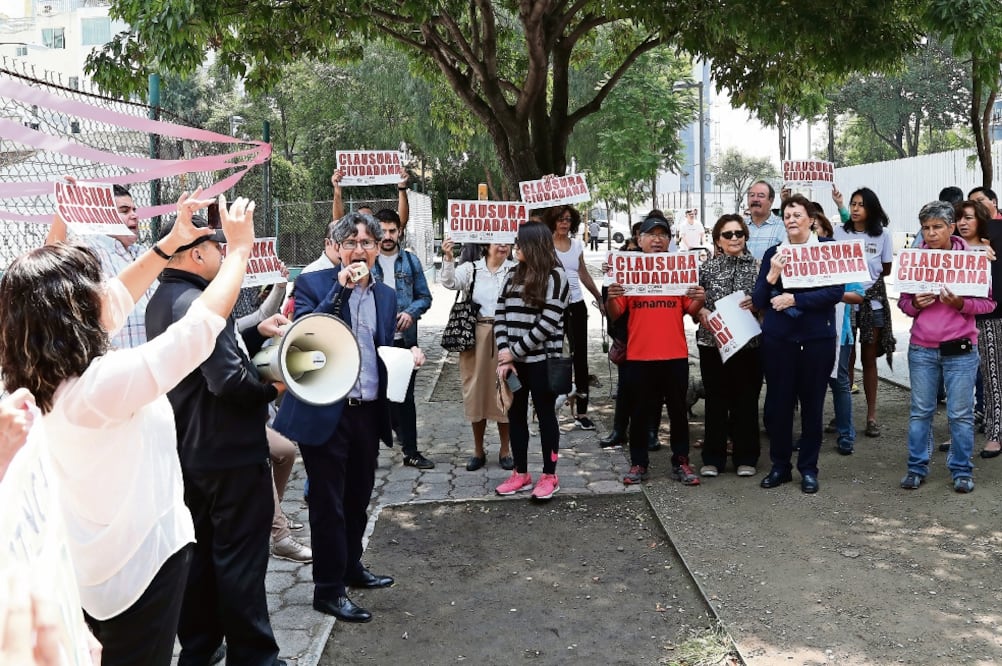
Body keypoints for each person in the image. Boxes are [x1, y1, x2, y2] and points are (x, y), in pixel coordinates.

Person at [0, 192, 264, 666]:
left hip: (95, 564)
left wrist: (171, 242)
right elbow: (197, 332)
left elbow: (115, 299)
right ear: (71, 309)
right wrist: (240, 250)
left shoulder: (35, 369)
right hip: (140, 568)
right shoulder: (99, 387)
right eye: (89, 286)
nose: (103, 287)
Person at [146, 206, 289, 666]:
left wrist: (252, 329)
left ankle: (200, 649)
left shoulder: (164, 300)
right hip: (230, 456)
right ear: (192, 255)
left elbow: (206, 353)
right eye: (214, 246)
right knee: (241, 563)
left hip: (192, 452)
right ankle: (256, 658)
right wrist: (273, 387)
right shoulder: (201, 303)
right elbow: (227, 380)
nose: (220, 253)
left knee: (203, 559)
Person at [273, 212, 424, 623]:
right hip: (325, 412)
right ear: (337, 249)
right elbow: (304, 334)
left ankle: (351, 567)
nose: (360, 251)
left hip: (368, 408)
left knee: (359, 496)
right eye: (351, 243)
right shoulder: (312, 284)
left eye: (367, 243)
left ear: (378, 249)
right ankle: (328, 590)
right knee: (328, 503)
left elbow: (379, 346)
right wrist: (338, 292)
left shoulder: (387, 295)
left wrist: (406, 355)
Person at [898, 201, 995, 492]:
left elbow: (988, 303)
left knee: (960, 414)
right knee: (920, 411)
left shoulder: (973, 260)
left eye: (937, 227)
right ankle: (916, 467)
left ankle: (962, 470)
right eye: (926, 227)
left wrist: (961, 304)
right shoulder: (915, 260)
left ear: (951, 227)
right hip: (922, 348)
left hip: (961, 350)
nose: (930, 233)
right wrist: (914, 303)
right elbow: (903, 302)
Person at [753, 194, 845, 494]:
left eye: (797, 214)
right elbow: (757, 300)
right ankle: (780, 466)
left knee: (812, 406)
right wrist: (771, 277)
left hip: (817, 338)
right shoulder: (773, 253)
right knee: (779, 405)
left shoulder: (827, 250)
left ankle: (808, 468)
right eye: (787, 216)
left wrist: (796, 299)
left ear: (811, 219)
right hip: (780, 341)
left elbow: (835, 292)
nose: (791, 220)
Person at [606, 215, 705, 486]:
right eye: (651, 234)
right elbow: (616, 314)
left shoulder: (678, 272)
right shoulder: (629, 272)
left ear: (670, 241)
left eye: (663, 235)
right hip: (639, 356)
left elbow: (692, 312)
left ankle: (681, 461)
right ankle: (638, 463)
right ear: (640, 239)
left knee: (678, 413)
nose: (657, 239)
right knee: (639, 413)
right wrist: (612, 297)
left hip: (674, 355)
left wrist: (700, 299)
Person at [494, 222, 569, 500]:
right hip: (512, 365)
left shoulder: (556, 277)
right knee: (515, 416)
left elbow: (547, 324)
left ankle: (550, 475)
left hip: (542, 362)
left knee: (546, 416)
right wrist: (505, 354)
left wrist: (514, 352)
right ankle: (521, 472)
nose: (515, 248)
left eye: (520, 243)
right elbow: (499, 314)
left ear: (534, 246)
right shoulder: (511, 273)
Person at [44, 183, 153, 349]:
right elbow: (53, 255)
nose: (134, 216)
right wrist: (63, 208)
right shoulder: (90, 250)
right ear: (104, 216)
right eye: (124, 211)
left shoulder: (143, 253)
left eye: (134, 210)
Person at [440, 238, 516, 471]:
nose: (502, 246)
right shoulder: (471, 268)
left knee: (506, 391)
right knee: (475, 392)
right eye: (497, 242)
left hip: (507, 338)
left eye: (506, 243)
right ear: (485, 245)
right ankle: (478, 450)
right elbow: (449, 282)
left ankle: (506, 450)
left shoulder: (515, 270)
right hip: (475, 336)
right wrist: (449, 258)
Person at [694, 214, 761, 477]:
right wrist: (702, 314)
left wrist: (757, 304)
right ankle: (713, 457)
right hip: (712, 343)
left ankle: (747, 457)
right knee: (716, 402)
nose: (734, 238)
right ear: (717, 241)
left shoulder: (757, 267)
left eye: (739, 233)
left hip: (749, 345)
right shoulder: (706, 269)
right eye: (728, 234)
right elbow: (693, 301)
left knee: (746, 401)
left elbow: (766, 301)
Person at [370, 208, 435, 468]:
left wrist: (411, 312)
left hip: (405, 341)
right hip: (374, 341)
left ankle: (411, 452)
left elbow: (425, 297)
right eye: (382, 230)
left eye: (392, 231)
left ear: (400, 232)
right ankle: (370, 452)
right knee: (374, 397)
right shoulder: (366, 261)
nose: (387, 236)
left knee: (405, 398)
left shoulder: (410, 262)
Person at [836, 187, 894, 438]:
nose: (856, 208)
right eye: (853, 204)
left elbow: (886, 269)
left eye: (861, 204)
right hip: (845, 304)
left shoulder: (884, 236)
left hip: (873, 304)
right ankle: (844, 414)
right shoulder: (840, 233)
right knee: (845, 361)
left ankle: (872, 417)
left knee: (869, 360)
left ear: (871, 208)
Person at [545, 205, 604, 430]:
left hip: (576, 305)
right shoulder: (545, 244)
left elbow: (582, 272)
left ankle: (581, 412)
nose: (564, 223)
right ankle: (551, 408)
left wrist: (598, 297)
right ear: (553, 221)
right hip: (553, 306)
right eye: (560, 219)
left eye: (568, 219)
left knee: (580, 357)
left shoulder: (577, 245)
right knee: (557, 357)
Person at [955, 199, 1002, 458]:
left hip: (990, 318)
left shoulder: (992, 249)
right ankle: (959, 433)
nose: (963, 222)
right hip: (957, 321)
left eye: (969, 218)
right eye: (959, 217)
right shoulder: (949, 250)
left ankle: (996, 433)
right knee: (959, 377)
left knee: (992, 375)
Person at [331, 167, 410, 227]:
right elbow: (338, 223)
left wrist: (402, 188)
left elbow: (401, 222)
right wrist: (337, 189)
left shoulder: (381, 237)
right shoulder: (353, 236)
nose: (366, 220)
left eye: (369, 217)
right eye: (362, 218)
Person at [744, 180, 786, 260]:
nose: (755, 199)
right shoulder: (739, 226)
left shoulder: (783, 227)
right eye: (751, 195)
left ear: (771, 200)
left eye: (761, 196)